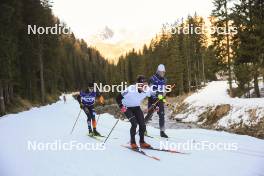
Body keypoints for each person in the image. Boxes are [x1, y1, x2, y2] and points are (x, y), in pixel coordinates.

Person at [116, 75, 153, 149]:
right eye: (141, 85)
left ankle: (142, 142)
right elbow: (118, 98)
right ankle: (133, 142)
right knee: (134, 123)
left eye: (145, 85)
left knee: (142, 124)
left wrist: (155, 104)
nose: (144, 87)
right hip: (127, 107)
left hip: (136, 107)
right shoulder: (130, 89)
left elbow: (152, 97)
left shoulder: (147, 89)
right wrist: (122, 107)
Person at [146, 64, 169, 138]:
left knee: (161, 115)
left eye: (163, 72)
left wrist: (164, 96)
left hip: (160, 99)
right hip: (152, 99)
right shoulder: (152, 78)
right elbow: (149, 90)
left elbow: (164, 90)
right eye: (161, 72)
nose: (162, 73)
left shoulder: (165, 80)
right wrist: (157, 92)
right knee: (150, 114)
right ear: (158, 71)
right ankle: (142, 129)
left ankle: (162, 131)